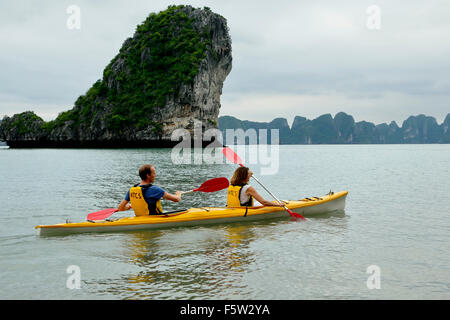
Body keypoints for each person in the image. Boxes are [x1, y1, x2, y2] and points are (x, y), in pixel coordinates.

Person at [117, 164, 182, 216]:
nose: (155, 175)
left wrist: (130, 206)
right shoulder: (155, 189)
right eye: (154, 173)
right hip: (154, 219)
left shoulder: (132, 190)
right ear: (148, 175)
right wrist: (178, 194)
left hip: (140, 220)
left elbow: (120, 208)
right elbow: (176, 199)